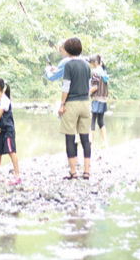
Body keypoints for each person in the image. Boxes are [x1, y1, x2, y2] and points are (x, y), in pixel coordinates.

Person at [58, 37, 92, 180]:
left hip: (72, 104)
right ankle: (87, 171)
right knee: (85, 138)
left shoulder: (69, 66)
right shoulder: (87, 65)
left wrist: (62, 104)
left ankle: (73, 172)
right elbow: (89, 86)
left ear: (67, 50)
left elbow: (66, 87)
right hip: (85, 103)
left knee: (70, 137)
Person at [88, 54, 109, 147]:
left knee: (93, 120)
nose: (90, 65)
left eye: (91, 63)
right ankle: (105, 142)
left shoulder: (95, 72)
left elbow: (95, 87)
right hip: (104, 99)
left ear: (95, 62)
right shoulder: (104, 71)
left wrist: (88, 93)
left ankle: (91, 144)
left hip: (96, 99)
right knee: (100, 121)